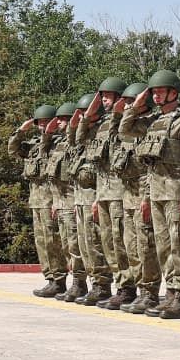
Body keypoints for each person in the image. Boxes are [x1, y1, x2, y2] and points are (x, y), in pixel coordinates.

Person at [119, 69, 180, 318]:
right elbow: (125, 130)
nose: (155, 96)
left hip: (176, 193)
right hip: (156, 194)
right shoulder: (152, 123)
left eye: (160, 91)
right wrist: (136, 104)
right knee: (163, 247)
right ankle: (170, 295)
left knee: (179, 246)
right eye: (153, 92)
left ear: (173, 93)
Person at [110, 81, 160, 311]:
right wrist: (127, 110)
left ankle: (149, 292)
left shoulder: (151, 125)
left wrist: (147, 197)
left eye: (133, 102)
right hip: (129, 194)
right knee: (131, 246)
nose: (128, 105)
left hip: (144, 192)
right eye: (128, 102)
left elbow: (151, 168)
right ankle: (140, 290)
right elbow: (121, 130)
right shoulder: (136, 126)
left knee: (146, 245)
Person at [13, 104, 66, 298]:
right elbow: (13, 149)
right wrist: (21, 130)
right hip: (36, 200)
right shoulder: (34, 144)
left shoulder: (58, 142)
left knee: (53, 241)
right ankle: (50, 278)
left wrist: (48, 135)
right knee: (41, 242)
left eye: (46, 122)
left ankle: (59, 280)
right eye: (40, 123)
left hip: (50, 199)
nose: (43, 126)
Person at [82, 81, 128, 306]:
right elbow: (78, 138)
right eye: (103, 97)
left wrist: (118, 114)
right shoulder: (99, 124)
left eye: (109, 96)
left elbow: (113, 139)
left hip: (119, 192)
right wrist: (90, 111)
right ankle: (114, 287)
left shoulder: (126, 122)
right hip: (103, 192)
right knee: (107, 243)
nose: (104, 100)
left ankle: (126, 287)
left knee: (120, 243)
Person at [67, 92, 113, 303]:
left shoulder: (107, 128)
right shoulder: (89, 135)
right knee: (84, 245)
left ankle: (102, 285)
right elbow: (74, 139)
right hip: (82, 198)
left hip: (96, 195)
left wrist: (98, 198)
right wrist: (83, 118)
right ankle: (95, 284)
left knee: (96, 244)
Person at [37, 102, 81, 299]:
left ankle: (79, 284)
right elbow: (44, 160)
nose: (62, 123)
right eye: (60, 119)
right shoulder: (57, 144)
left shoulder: (77, 142)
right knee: (64, 245)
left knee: (75, 246)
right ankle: (65, 283)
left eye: (66, 119)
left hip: (73, 201)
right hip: (60, 203)